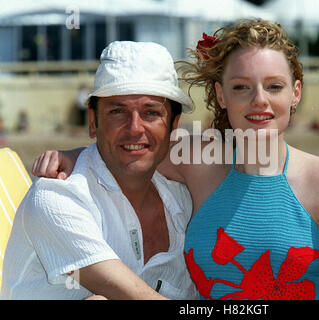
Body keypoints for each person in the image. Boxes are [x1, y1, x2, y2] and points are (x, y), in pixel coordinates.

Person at [31, 19, 319, 300]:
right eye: (241, 87)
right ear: (221, 95)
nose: (259, 101)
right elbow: (132, 142)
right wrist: (72, 156)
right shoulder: (198, 159)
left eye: (274, 86)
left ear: (295, 93)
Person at [0, 41, 198, 300]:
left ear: (173, 126)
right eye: (117, 111)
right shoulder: (57, 195)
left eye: (151, 113)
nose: (135, 127)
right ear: (93, 123)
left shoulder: (182, 197)